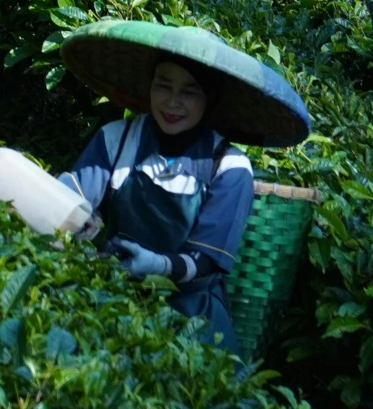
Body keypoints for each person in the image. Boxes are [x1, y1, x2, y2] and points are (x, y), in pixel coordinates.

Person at [55, 20, 312, 356]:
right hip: (110, 296)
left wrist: (158, 265)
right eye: (164, 85)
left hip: (192, 322)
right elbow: (71, 200)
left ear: (210, 99)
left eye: (189, 92)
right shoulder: (116, 139)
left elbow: (206, 262)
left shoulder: (230, 167)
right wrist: (61, 208)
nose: (172, 102)